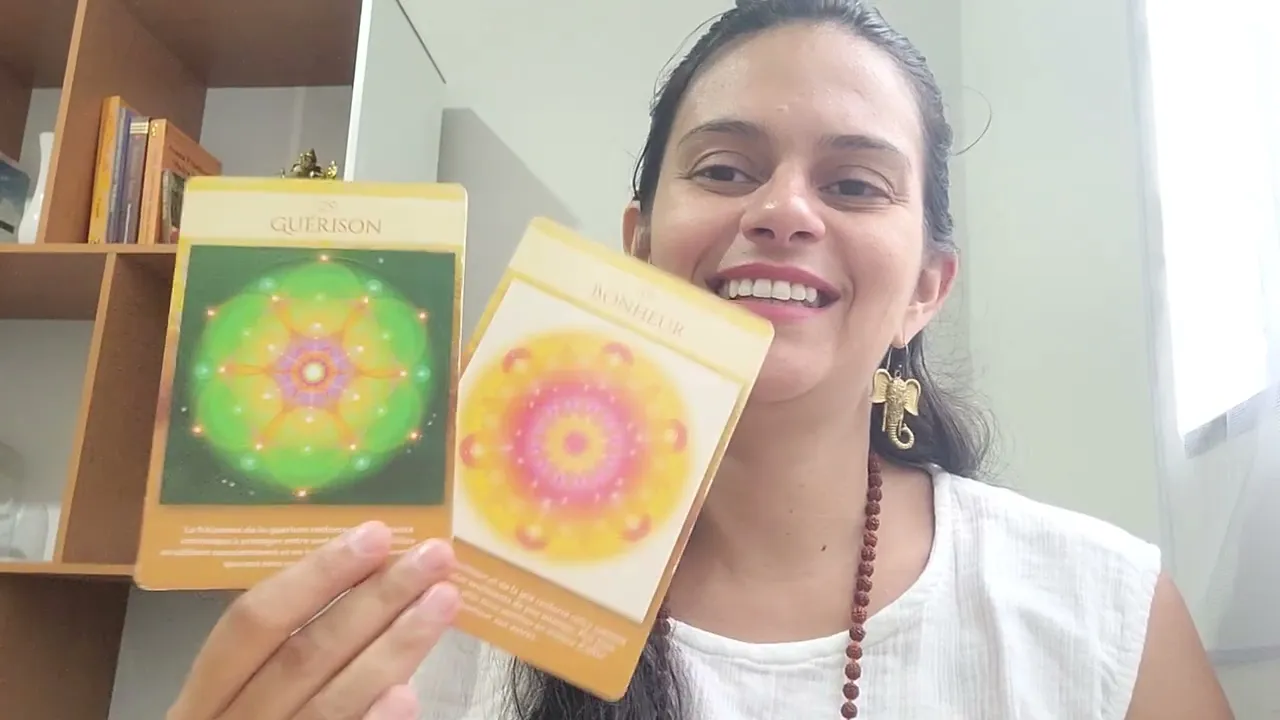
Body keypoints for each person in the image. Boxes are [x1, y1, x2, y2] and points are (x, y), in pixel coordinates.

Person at [165, 1, 1235, 718]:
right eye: (725, 169)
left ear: (924, 289)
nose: (783, 211)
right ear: (637, 244)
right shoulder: (427, 611)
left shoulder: (1102, 614)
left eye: (853, 185)